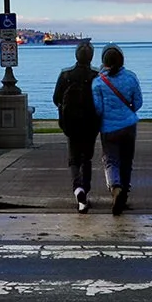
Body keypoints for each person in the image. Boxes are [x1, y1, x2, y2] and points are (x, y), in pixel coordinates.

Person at [91, 44, 144, 215]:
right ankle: (125, 195)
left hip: (108, 128)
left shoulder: (98, 82)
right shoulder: (131, 77)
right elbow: (138, 102)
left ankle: (115, 188)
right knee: (127, 161)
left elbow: (98, 109)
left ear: (103, 61)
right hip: (129, 125)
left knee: (111, 161)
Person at [52, 40, 100, 212]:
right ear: (91, 57)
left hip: (71, 122)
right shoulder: (97, 76)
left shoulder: (65, 75)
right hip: (91, 122)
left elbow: (56, 98)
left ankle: (78, 189)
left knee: (73, 159)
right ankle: (85, 191)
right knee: (86, 158)